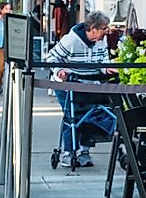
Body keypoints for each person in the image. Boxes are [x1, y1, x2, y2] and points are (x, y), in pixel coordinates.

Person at [46, 11, 112, 170]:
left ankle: (84, 152)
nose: (106, 31)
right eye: (104, 28)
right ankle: (68, 153)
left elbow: (103, 60)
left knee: (91, 114)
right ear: (93, 28)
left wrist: (108, 69)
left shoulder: (101, 41)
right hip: (67, 83)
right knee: (72, 115)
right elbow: (51, 57)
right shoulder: (71, 40)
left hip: (89, 82)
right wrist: (60, 71)